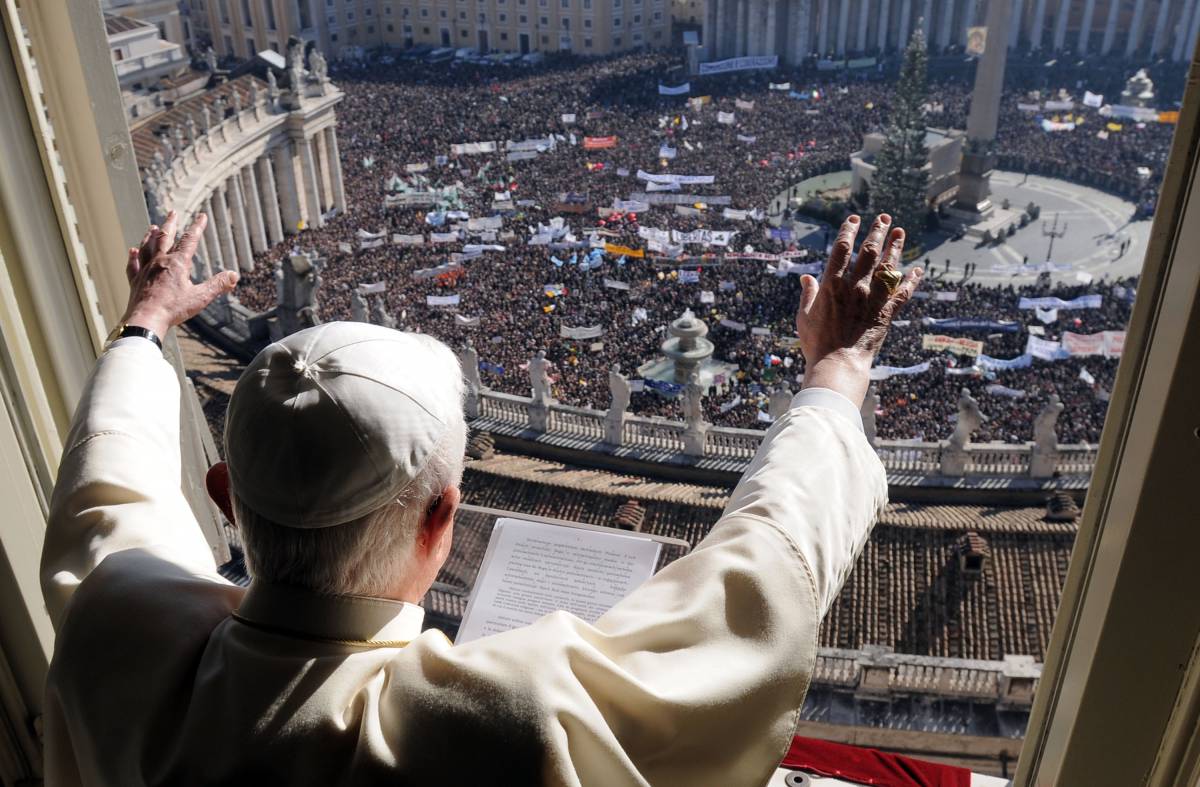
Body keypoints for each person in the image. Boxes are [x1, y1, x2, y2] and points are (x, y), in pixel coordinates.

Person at [41, 211, 921, 784]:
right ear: (441, 519)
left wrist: (144, 323)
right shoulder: (495, 726)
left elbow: (109, 492)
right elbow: (755, 586)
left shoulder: (113, 632)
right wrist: (838, 369)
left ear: (226, 497)